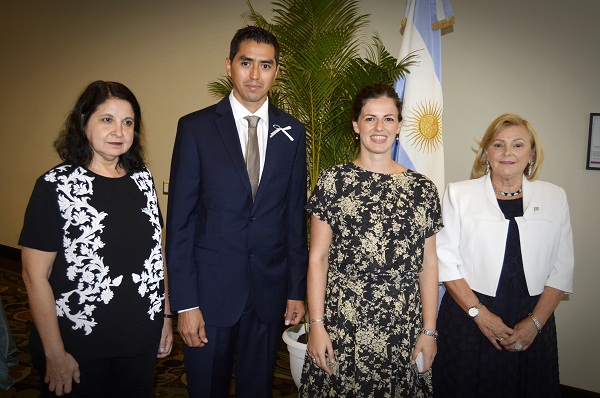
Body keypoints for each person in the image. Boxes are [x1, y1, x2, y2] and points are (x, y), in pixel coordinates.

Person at [166, 26, 308, 397]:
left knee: (257, 389)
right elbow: (180, 223)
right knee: (206, 388)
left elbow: (294, 218)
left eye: (265, 65)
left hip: (268, 293)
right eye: (246, 63)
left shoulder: (293, 132)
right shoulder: (195, 128)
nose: (255, 75)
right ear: (229, 66)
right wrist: (185, 303)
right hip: (209, 296)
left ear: (276, 71)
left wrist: (295, 290)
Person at [19, 80, 173, 397]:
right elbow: (35, 277)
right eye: (107, 119)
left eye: (128, 122)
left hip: (138, 341)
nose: (119, 131)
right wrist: (54, 354)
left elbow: (157, 257)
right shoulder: (55, 185)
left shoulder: (142, 179)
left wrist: (165, 319)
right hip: (78, 346)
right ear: (83, 122)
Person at [299, 84, 442, 397]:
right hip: (343, 323)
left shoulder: (423, 189)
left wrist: (429, 330)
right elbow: (318, 259)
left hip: (402, 326)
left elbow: (429, 264)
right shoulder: (333, 181)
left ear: (400, 126)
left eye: (388, 119)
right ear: (356, 125)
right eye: (370, 119)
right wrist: (317, 325)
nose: (380, 128)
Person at [433, 114, 574, 397]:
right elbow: (444, 259)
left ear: (532, 153)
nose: (507, 152)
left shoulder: (554, 197)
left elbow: (563, 266)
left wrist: (535, 324)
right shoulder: (459, 194)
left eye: (518, 145)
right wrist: (481, 315)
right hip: (469, 318)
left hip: (532, 318)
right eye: (498, 145)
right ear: (486, 152)